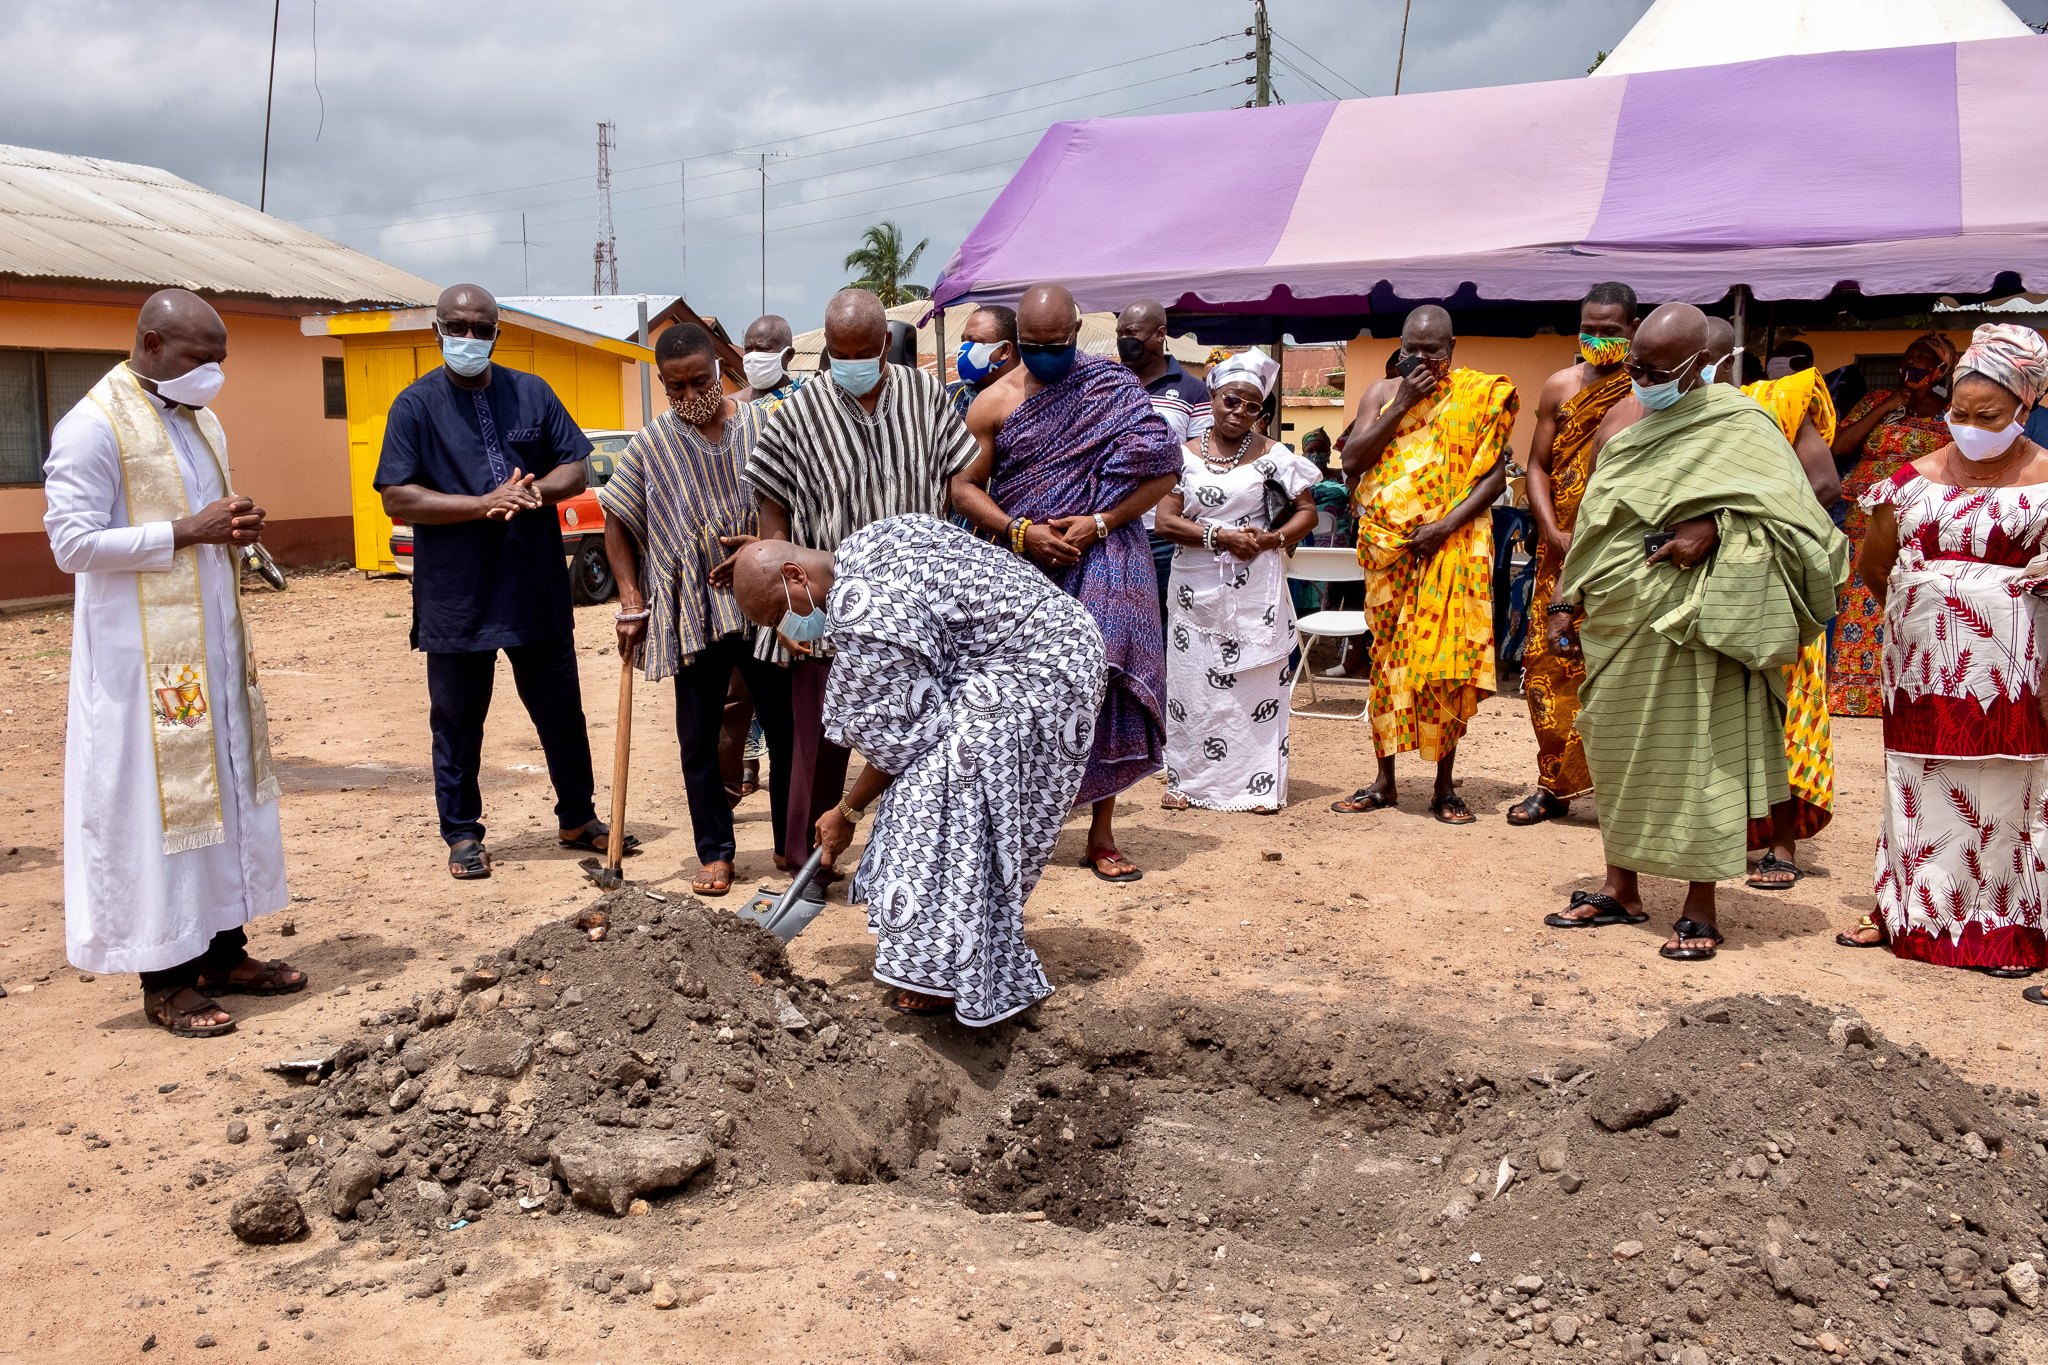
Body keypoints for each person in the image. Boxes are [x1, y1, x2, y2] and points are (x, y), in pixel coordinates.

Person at [1543, 303, 1847, 960]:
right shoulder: (1625, 430)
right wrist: (1564, 600)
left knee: (1701, 757)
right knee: (1616, 747)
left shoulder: (1744, 425)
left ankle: (1699, 904)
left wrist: (1718, 526)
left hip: (1704, 617)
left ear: (1695, 367)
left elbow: (1802, 519)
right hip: (1623, 612)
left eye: (1653, 369)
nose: (1639, 376)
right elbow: (1596, 523)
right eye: (1634, 364)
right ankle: (1619, 887)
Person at [43, 288, 303, 1037]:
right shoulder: (92, 426)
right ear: (152, 345)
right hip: (141, 666)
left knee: (220, 795)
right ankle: (165, 977)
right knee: (161, 811)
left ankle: (223, 950)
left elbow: (203, 521)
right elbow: (72, 543)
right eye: (200, 359)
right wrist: (186, 531)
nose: (213, 374)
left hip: (210, 649)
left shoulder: (201, 420)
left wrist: (231, 529)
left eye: (221, 360)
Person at [729, 519, 1107, 1022]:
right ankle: (943, 948)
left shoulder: (862, 606)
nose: (786, 628)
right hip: (1051, 641)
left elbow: (903, 739)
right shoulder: (868, 541)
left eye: (780, 612)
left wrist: (846, 810)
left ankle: (950, 969)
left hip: (1042, 665)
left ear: (796, 575)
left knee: (941, 791)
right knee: (931, 783)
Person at [375, 284, 626, 880]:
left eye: (479, 328)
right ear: (437, 329)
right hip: (457, 597)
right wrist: (482, 502)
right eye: (456, 326)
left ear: (496, 332)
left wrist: (531, 492)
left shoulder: (531, 392)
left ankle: (578, 816)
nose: (467, 338)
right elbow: (396, 495)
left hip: (534, 586)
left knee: (561, 711)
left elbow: (577, 463)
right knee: (458, 720)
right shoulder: (414, 406)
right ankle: (462, 833)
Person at [732, 287, 978, 881]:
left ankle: (917, 860)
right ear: (826, 349)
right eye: (840, 353)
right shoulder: (790, 417)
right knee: (820, 744)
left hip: (918, 609)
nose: (852, 362)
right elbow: (773, 522)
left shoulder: (928, 397)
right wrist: (789, 615)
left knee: (922, 737)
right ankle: (808, 860)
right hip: (830, 609)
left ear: (884, 345)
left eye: (863, 351)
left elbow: (961, 478)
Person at [1829, 324, 2048, 985]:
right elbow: (1874, 564)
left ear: (2027, 408)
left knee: (2011, 793)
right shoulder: (1912, 481)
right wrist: (1941, 608)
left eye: (1990, 416)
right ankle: (1905, 909)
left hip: (2016, 676)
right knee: (1920, 785)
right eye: (1960, 413)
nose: (1971, 426)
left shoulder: (2045, 482)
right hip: (1926, 669)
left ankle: (2004, 925)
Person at [953, 284, 1181, 882]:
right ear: (1016, 343)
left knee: (1106, 680)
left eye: (1056, 344)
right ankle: (1017, 827)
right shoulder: (993, 403)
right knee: (1022, 696)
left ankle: (1102, 834)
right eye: (1033, 345)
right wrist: (1020, 531)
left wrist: (1102, 521)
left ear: (1077, 333)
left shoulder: (1114, 387)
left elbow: (1163, 474)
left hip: (1109, 553)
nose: (1046, 355)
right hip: (1027, 565)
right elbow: (962, 487)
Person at [602, 323, 794, 899]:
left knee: (784, 727)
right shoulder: (651, 445)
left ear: (720, 370)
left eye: (700, 382)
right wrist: (631, 599)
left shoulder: (762, 424)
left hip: (761, 603)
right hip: (692, 608)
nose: (690, 397)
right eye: (675, 387)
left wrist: (760, 548)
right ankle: (715, 851)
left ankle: (790, 843)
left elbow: (789, 495)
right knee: (698, 735)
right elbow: (616, 521)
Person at [1330, 306, 1518, 824]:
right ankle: (1384, 781)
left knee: (1444, 670)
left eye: (1432, 351)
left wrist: (1442, 527)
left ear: (1451, 351)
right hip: (1389, 555)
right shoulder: (1379, 393)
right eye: (1412, 349)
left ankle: (1444, 787)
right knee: (1388, 668)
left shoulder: (1476, 397)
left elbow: (1494, 479)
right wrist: (1403, 401)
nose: (1421, 359)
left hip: (1446, 549)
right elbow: (1352, 461)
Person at [1151, 351, 1319, 812]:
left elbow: (1308, 512)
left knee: (1256, 682)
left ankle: (1257, 785)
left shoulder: (1274, 455)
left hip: (1255, 589)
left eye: (1250, 406)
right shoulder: (1180, 456)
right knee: (1192, 686)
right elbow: (1165, 521)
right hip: (1194, 586)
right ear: (1213, 398)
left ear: (1260, 412)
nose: (1239, 412)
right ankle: (1186, 782)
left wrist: (1271, 540)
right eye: (1231, 401)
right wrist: (1218, 535)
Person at [1710, 320, 1844, 890]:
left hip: (1772, 583)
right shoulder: (1657, 420)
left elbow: (1825, 485)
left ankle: (1782, 845)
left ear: (1721, 361)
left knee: (1782, 709)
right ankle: (1717, 836)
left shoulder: (1773, 406)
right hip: (1701, 585)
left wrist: (1740, 526)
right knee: (1712, 716)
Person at [1507, 282, 1639, 827]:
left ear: (1633, 331)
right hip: (1557, 552)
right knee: (1547, 666)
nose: (1598, 340)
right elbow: (1536, 465)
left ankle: (1622, 792)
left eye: (1610, 332)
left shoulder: (1649, 392)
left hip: (1620, 554)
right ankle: (1552, 785)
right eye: (1590, 329)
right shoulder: (1560, 386)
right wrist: (1549, 528)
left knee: (1615, 669)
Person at [1829, 331, 1961, 715]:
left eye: (1924, 358)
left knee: (1907, 596)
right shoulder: (1875, 401)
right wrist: (1887, 405)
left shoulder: (1950, 411)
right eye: (1909, 355)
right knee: (1859, 596)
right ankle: (1852, 694)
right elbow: (1840, 446)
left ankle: (1904, 690)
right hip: (1864, 516)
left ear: (1940, 370)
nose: (1913, 363)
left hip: (1919, 518)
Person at [1117, 299, 1213, 610]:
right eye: (1119, 333)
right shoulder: (1106, 385)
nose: (1123, 341)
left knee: (1164, 620)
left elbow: (1202, 460)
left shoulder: (1192, 391)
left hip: (1163, 534)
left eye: (1131, 332)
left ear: (1160, 334)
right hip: (1110, 528)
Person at [946, 305, 1019, 422]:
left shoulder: (1031, 407)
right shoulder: (946, 397)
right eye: (963, 340)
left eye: (974, 341)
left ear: (1004, 350)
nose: (962, 348)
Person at [736, 314, 805, 411]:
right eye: (748, 349)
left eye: (763, 348)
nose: (753, 356)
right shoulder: (732, 405)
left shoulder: (804, 398)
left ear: (788, 354)